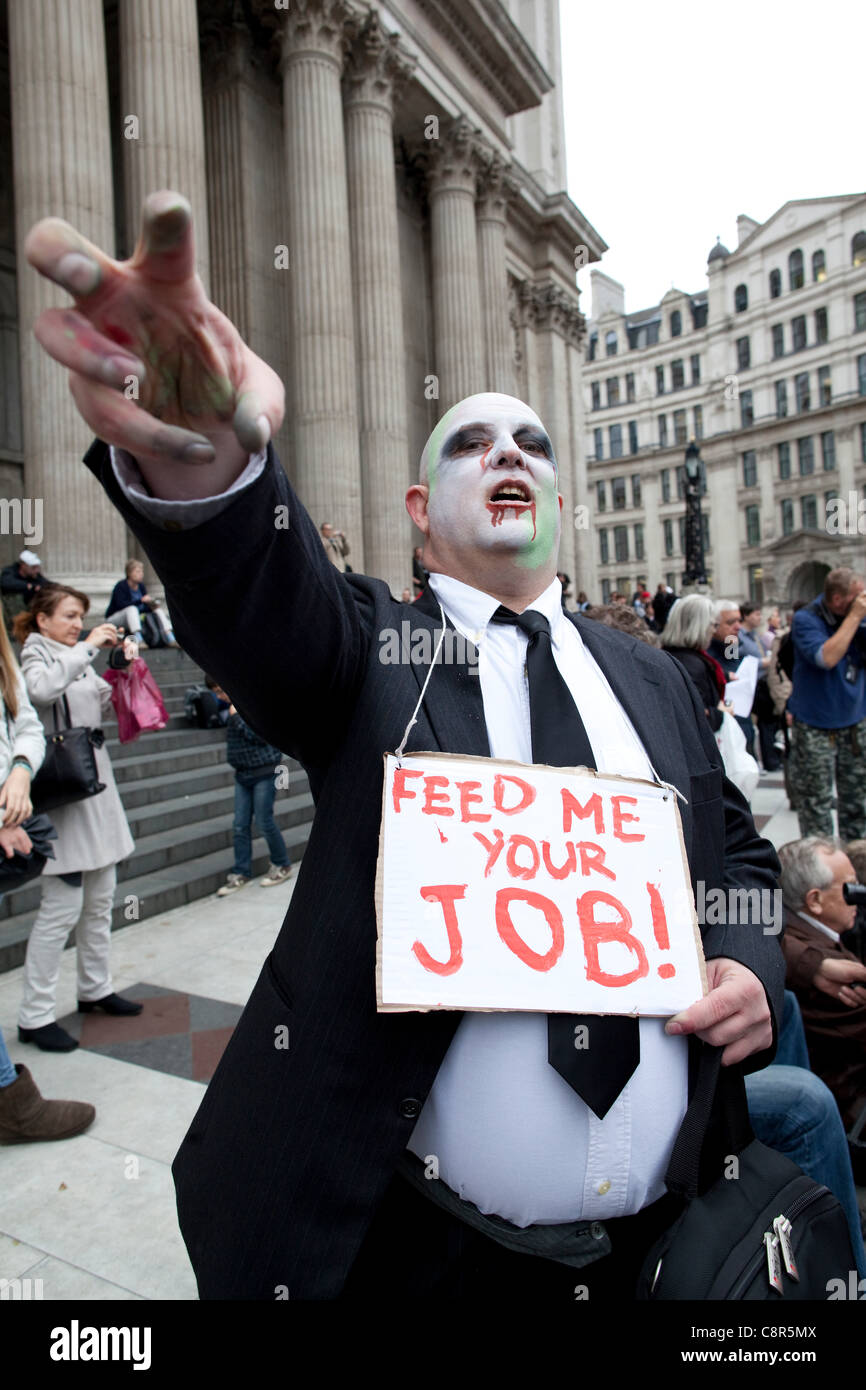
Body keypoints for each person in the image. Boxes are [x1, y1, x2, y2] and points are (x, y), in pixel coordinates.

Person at [25, 190, 783, 1301]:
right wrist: (207, 466)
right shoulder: (373, 648)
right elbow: (267, 606)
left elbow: (739, 862)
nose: (506, 453)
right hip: (413, 1255)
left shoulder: (652, 679)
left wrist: (753, 964)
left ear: (557, 497)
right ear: (421, 512)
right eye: (470, 442)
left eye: (529, 441)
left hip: (658, 1251)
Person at [14, 587, 141, 1052]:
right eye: (68, 616)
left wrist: (119, 667)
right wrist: (87, 646)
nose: (75, 623)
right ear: (42, 620)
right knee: (59, 911)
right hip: (64, 798)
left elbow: (98, 703)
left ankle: (95, 987)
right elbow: (41, 692)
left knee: (100, 900)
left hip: (97, 792)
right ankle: (35, 1013)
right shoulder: (35, 654)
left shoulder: (73, 654)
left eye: (79, 617)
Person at [777, 836, 866, 1131]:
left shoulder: (787, 930)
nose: (859, 894)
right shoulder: (832, 982)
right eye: (849, 887)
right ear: (814, 900)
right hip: (849, 1112)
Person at [788, 568, 866, 840]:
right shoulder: (806, 619)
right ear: (836, 600)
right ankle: (821, 867)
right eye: (856, 598)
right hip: (814, 723)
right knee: (815, 802)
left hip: (854, 721)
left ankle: (858, 864)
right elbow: (826, 658)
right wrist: (855, 617)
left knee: (859, 802)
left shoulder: (858, 617)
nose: (861, 603)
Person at [214, 684, 293, 896]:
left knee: (264, 821)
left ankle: (282, 864)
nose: (219, 696)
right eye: (216, 693)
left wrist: (237, 718)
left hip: (264, 772)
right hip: (243, 774)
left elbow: (261, 737)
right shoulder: (230, 709)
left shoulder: (250, 705)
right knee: (239, 825)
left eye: (220, 691)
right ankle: (241, 872)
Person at [660, 594, 728, 732]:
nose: (715, 630)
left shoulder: (667, 654)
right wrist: (721, 713)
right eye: (714, 625)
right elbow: (697, 721)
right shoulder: (692, 664)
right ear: (699, 626)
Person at [106, 558, 178, 649]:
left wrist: (151, 605)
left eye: (141, 572)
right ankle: (139, 639)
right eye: (137, 572)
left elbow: (142, 608)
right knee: (132, 609)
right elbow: (121, 605)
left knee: (157, 610)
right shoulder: (121, 586)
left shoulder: (141, 586)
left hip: (134, 618)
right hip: (116, 619)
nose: (141, 574)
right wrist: (141, 600)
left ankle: (170, 637)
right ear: (129, 573)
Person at [0, 549, 52, 637]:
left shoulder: (34, 576)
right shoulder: (10, 572)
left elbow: (46, 584)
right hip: (12, 610)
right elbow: (7, 583)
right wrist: (28, 586)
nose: (36, 570)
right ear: (23, 566)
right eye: (33, 567)